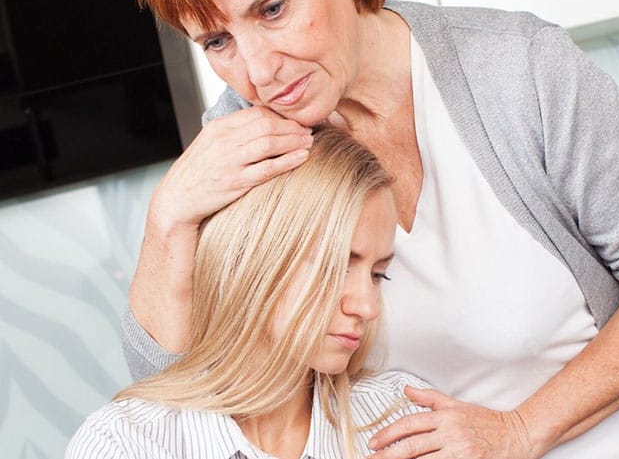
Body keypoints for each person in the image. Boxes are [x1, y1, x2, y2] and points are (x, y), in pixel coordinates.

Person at [122, 0, 619, 458]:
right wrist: (168, 220)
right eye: (217, 42)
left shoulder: (518, 70)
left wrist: (517, 432)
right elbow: (179, 410)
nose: (258, 72)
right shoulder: (243, 142)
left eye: (273, 9)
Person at [66, 127, 430, 459]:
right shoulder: (127, 443)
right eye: (333, 268)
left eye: (379, 274)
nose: (366, 306)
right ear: (252, 259)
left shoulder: (403, 416)